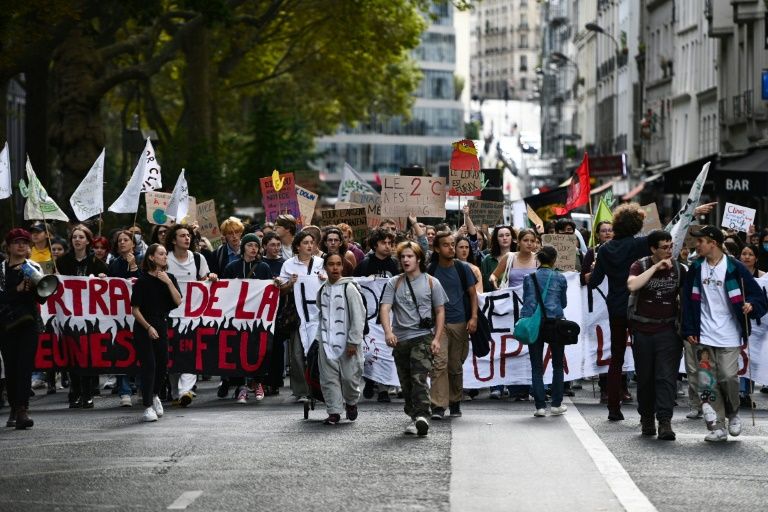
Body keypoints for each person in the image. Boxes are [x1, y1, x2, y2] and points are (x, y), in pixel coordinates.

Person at [681, 226, 767, 442]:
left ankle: (733, 413)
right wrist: (689, 329)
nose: (696, 245)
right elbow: (687, 302)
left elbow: (758, 297)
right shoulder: (696, 268)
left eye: (700, 241)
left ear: (713, 242)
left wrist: (751, 306)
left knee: (728, 377)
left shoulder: (735, 268)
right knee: (707, 381)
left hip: (729, 334)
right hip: (703, 333)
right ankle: (717, 426)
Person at [380, 241, 447, 436]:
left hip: (423, 337)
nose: (406, 260)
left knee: (419, 378)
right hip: (401, 339)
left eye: (410, 256)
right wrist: (388, 332)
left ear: (418, 259)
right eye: (403, 257)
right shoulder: (395, 282)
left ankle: (423, 415)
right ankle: (414, 416)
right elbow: (385, 307)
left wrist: (436, 338)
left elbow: (440, 311)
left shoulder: (431, 282)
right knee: (406, 381)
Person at [626, 230, 685, 441]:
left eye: (671, 246)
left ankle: (665, 421)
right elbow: (632, 285)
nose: (669, 250)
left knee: (666, 377)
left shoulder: (679, 268)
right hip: (643, 331)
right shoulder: (639, 265)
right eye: (664, 247)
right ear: (653, 249)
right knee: (645, 378)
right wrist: (654, 268)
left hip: (668, 331)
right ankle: (647, 418)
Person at [164, 223, 217, 407]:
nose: (187, 238)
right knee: (172, 354)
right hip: (169, 313)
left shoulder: (197, 258)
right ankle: (174, 390)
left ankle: (185, 390)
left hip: (192, 314)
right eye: (182, 235)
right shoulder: (165, 258)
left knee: (190, 352)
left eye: (188, 235)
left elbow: (204, 279)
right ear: (173, 239)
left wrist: (211, 278)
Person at [57, 224, 108, 409]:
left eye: (81, 237)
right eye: (74, 237)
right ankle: (75, 391)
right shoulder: (62, 262)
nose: (77, 240)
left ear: (88, 241)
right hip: (69, 315)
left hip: (90, 315)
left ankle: (87, 392)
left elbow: (109, 285)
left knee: (88, 353)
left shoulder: (98, 263)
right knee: (72, 352)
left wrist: (104, 278)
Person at [426, 232, 477, 418]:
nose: (451, 248)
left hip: (460, 323)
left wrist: (473, 318)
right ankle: (438, 405)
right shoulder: (430, 270)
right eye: (446, 245)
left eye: (452, 244)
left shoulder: (463, 269)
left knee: (455, 366)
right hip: (439, 325)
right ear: (437, 249)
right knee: (439, 364)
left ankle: (455, 401)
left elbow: (473, 294)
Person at [0, 229, 47, 429]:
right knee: (11, 367)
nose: (21, 246)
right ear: (8, 246)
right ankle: (14, 406)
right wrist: (16, 290)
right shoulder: (1, 270)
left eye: (25, 242)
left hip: (28, 324)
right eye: (17, 242)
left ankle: (22, 409)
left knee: (25, 366)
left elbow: (42, 297)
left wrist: (35, 288)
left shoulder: (33, 267)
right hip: (5, 325)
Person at [130, 243, 182, 422]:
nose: (164, 256)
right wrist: (148, 327)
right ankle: (147, 407)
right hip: (144, 326)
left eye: (165, 254)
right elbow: (135, 310)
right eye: (160, 254)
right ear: (151, 257)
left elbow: (178, 301)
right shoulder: (143, 281)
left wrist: (168, 282)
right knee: (149, 365)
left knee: (163, 364)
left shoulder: (170, 278)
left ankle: (154, 395)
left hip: (161, 323)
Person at [314, 253, 366, 425]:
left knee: (350, 377)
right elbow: (320, 314)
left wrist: (353, 341)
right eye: (331, 264)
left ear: (342, 267)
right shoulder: (322, 289)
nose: (335, 268)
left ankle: (351, 402)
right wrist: (319, 339)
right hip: (327, 342)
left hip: (347, 343)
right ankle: (334, 411)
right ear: (325, 267)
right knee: (329, 378)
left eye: (338, 264)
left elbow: (359, 316)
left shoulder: (349, 288)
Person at [488, 228, 539, 400]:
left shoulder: (539, 260)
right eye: (526, 240)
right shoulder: (509, 258)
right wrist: (495, 283)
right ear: (518, 241)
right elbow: (493, 276)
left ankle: (532, 385)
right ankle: (513, 386)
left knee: (530, 347)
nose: (529, 244)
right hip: (511, 309)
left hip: (532, 310)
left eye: (532, 241)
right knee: (512, 346)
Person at [221, 233, 271, 402]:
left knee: (258, 349)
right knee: (238, 350)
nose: (253, 248)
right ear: (243, 248)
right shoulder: (232, 267)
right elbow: (224, 291)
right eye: (250, 245)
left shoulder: (263, 267)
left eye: (256, 246)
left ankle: (257, 383)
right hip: (236, 317)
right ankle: (241, 387)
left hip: (258, 317)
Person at [520, 246, 568, 417]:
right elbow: (563, 303)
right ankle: (556, 404)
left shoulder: (529, 278)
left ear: (539, 259)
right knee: (557, 365)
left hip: (534, 324)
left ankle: (539, 406)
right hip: (555, 323)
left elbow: (527, 301)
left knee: (536, 367)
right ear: (554, 259)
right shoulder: (560, 278)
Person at [277, 231, 325, 402]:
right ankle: (301, 390)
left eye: (311, 242)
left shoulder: (322, 262)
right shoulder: (288, 265)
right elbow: (281, 289)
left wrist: (324, 278)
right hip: (298, 314)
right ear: (297, 246)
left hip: (319, 315)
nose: (310, 246)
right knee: (297, 354)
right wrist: (290, 283)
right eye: (305, 242)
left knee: (318, 353)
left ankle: (320, 388)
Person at [106, 230, 142, 406]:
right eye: (119, 240)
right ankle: (124, 391)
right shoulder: (114, 263)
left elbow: (144, 283)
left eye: (126, 240)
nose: (122, 243)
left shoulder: (143, 260)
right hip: (120, 314)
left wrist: (134, 266)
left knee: (142, 351)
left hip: (140, 313)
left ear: (133, 244)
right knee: (122, 351)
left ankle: (143, 389)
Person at [581, 220, 613, 402]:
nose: (607, 233)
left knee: (620, 347)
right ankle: (604, 387)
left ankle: (621, 386)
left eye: (610, 230)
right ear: (598, 234)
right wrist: (592, 272)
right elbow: (583, 279)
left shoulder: (620, 250)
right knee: (603, 347)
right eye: (603, 231)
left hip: (616, 303)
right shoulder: (592, 253)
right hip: (599, 307)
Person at [260, 231, 286, 396]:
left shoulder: (285, 263)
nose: (276, 248)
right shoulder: (260, 264)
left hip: (280, 311)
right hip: (262, 312)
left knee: (277, 347)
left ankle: (276, 381)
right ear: (265, 246)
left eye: (278, 244)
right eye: (272, 245)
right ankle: (263, 381)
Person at [480, 226, 514, 293]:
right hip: (495, 299)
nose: (504, 238)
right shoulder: (487, 260)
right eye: (501, 236)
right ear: (496, 239)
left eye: (507, 235)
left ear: (512, 238)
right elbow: (485, 285)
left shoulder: (519, 257)